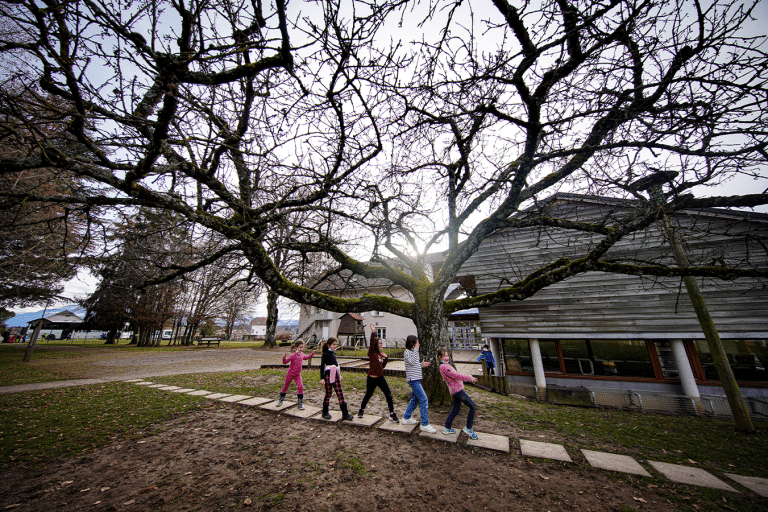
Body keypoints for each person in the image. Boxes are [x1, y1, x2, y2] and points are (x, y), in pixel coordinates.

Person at [357, 323, 399, 422]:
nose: (381, 345)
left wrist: (386, 358)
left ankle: (392, 414)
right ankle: (361, 410)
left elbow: (382, 367)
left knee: (388, 393)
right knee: (368, 394)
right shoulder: (372, 353)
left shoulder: (380, 355)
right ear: (375, 344)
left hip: (380, 378)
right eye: (379, 343)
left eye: (381, 343)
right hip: (371, 378)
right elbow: (371, 343)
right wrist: (373, 332)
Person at [439, 348, 479, 439]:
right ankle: (468, 428)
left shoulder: (445, 365)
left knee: (456, 410)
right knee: (473, 406)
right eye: (444, 356)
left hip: (454, 390)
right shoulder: (445, 367)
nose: (447, 357)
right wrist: (469, 377)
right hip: (457, 391)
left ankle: (447, 428)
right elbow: (456, 375)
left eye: (447, 355)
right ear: (439, 357)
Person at [400, 335, 436, 433]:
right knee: (424, 400)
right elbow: (411, 362)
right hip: (413, 380)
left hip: (416, 379)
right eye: (417, 342)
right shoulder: (407, 352)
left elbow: (414, 365)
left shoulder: (412, 352)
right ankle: (424, 424)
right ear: (413, 343)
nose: (419, 344)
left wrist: (422, 365)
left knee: (415, 399)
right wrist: (416, 350)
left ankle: (406, 418)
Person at [319, 336, 354, 421]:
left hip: (335, 375)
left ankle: (345, 414)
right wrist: (322, 378)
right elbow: (322, 366)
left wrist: (339, 375)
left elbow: (337, 366)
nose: (335, 346)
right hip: (328, 375)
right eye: (334, 344)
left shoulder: (333, 354)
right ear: (329, 345)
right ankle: (325, 412)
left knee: (340, 393)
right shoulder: (325, 354)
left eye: (336, 345)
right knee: (328, 393)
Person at [277, 338, 316, 410]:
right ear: (296, 348)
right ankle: (280, 400)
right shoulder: (292, 355)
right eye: (300, 347)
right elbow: (285, 362)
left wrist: (312, 353)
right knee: (286, 386)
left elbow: (306, 358)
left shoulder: (302, 354)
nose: (301, 349)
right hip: (290, 374)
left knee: (300, 387)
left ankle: (300, 404)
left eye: (302, 347)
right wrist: (284, 357)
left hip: (298, 374)